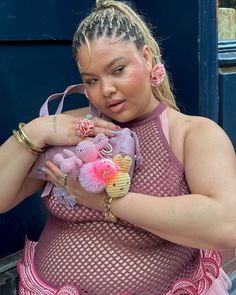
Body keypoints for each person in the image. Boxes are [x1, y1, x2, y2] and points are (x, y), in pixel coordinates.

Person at [0, 0, 236, 294]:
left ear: (147, 58)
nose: (106, 89)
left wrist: (106, 202)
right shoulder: (74, 129)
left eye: (118, 70)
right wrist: (38, 130)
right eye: (92, 80)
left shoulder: (192, 134)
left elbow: (226, 225)